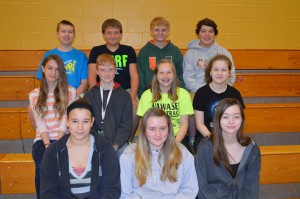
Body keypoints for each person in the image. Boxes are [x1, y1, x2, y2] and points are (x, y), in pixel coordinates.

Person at [40, 98, 121, 199]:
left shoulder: (106, 149)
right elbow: (48, 193)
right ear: (67, 121)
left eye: (85, 121)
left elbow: (112, 190)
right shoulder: (52, 152)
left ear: (92, 122)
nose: (80, 127)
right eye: (74, 121)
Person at [120, 108, 198, 199]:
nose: (158, 134)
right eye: (152, 129)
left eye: (163, 128)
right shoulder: (129, 154)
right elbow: (125, 193)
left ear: (169, 130)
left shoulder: (183, 153)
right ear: (144, 131)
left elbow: (189, 190)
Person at [29, 54, 76, 199]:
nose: (53, 72)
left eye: (57, 69)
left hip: (64, 139)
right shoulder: (34, 94)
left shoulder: (70, 91)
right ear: (43, 69)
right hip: (43, 141)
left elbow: (65, 121)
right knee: (42, 171)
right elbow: (40, 124)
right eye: (50, 68)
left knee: (64, 173)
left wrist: (59, 145)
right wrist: (48, 145)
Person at [195, 98, 261, 199]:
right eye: (225, 117)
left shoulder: (252, 149)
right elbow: (202, 186)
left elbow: (251, 187)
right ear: (218, 120)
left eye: (236, 117)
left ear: (242, 119)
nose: (231, 121)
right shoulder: (205, 148)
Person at [88, 18, 139, 141]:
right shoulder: (96, 50)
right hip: (102, 90)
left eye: (116, 32)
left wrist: (132, 96)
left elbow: (134, 75)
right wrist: (96, 93)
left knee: (135, 109)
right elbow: (91, 75)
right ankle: (97, 140)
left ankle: (128, 140)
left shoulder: (128, 50)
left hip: (124, 90)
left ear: (121, 34)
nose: (113, 36)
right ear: (103, 35)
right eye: (109, 33)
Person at [192, 54, 245, 151]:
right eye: (216, 69)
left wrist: (228, 140)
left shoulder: (235, 94)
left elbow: (239, 121)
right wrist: (214, 140)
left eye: (224, 70)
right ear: (210, 72)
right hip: (206, 137)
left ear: (229, 73)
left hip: (230, 136)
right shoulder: (201, 93)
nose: (219, 73)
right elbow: (199, 124)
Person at [84, 53, 132, 157]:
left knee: (127, 156)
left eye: (110, 69)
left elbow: (126, 126)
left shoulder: (124, 96)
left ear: (115, 71)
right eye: (102, 70)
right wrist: (98, 143)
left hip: (119, 145)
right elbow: (87, 123)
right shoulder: (89, 96)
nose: (107, 73)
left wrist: (115, 145)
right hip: (95, 142)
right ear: (97, 71)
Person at [137, 59, 193, 144]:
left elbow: (184, 124)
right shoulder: (147, 95)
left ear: (174, 74)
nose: (165, 76)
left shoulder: (183, 94)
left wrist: (175, 144)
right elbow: (145, 125)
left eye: (169, 72)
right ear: (156, 75)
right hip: (154, 137)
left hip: (177, 137)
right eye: (161, 73)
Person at [183, 18, 236, 94]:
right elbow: (188, 79)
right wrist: (205, 92)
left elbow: (231, 76)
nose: (207, 34)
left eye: (210, 31)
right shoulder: (190, 54)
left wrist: (220, 90)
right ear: (198, 33)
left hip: (221, 92)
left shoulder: (224, 53)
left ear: (215, 34)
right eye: (203, 31)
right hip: (197, 93)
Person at [36, 20, 88, 96]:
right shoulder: (48, 55)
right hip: (53, 96)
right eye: (63, 31)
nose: (67, 34)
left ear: (74, 35)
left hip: (75, 97)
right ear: (57, 34)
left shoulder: (81, 56)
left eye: (70, 32)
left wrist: (73, 96)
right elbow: (42, 80)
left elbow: (84, 83)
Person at [137, 17, 184, 98]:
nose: (160, 33)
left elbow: (180, 73)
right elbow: (140, 75)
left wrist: (180, 92)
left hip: (171, 93)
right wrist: (141, 95)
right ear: (151, 32)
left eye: (163, 30)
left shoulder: (175, 51)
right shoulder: (144, 52)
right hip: (150, 94)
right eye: (157, 30)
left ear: (168, 31)